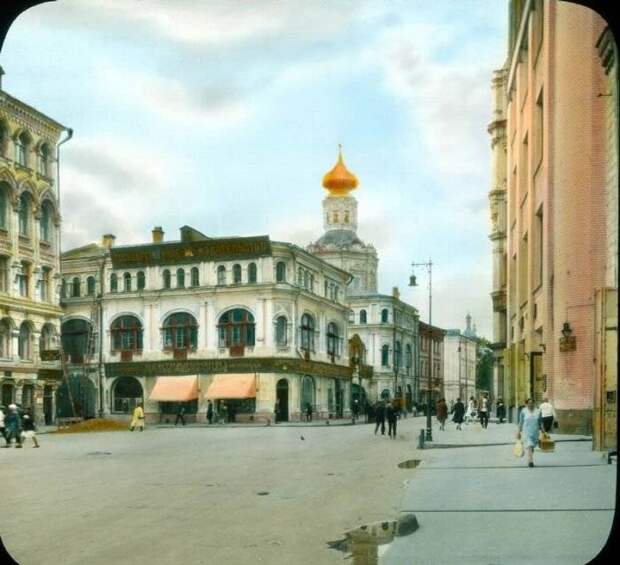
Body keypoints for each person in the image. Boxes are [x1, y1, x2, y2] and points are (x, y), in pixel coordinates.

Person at [517, 397, 542, 468]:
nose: (531, 404)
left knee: (532, 446)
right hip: (526, 431)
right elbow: (520, 422)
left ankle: (530, 455)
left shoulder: (538, 411)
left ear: (534, 403)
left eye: (532, 403)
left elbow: (540, 422)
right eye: (529, 403)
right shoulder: (523, 411)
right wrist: (518, 432)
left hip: (535, 432)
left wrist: (543, 431)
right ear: (526, 404)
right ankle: (530, 460)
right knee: (529, 444)